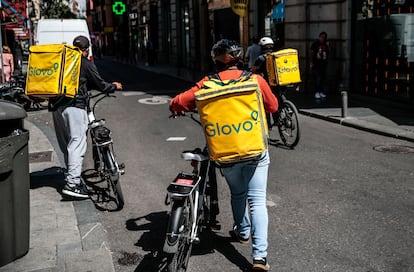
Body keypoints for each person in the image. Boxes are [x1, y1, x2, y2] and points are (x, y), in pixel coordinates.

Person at [169, 39, 278, 271]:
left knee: (238, 193)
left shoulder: (206, 84)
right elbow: (273, 107)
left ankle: (242, 231)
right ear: (239, 58)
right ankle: (260, 257)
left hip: (225, 153)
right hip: (255, 149)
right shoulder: (255, 80)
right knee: (257, 200)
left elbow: (179, 102)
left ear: (216, 61)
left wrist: (175, 107)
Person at [51, 35, 122, 199]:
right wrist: (113, 86)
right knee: (77, 143)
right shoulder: (85, 63)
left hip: (56, 107)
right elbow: (100, 84)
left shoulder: (64, 61)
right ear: (87, 49)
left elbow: (79, 81)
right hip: (75, 107)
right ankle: (73, 184)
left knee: (67, 145)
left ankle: (71, 176)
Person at [310, 31, 330, 99]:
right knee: (317, 79)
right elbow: (312, 53)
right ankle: (316, 92)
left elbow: (329, 52)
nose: (323, 39)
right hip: (317, 63)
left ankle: (321, 91)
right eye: (322, 37)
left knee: (323, 78)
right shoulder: (315, 44)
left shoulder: (326, 44)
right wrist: (312, 62)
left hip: (323, 63)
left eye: (324, 37)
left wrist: (328, 45)